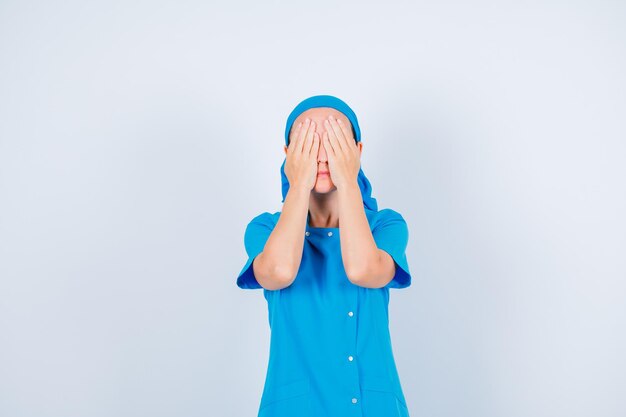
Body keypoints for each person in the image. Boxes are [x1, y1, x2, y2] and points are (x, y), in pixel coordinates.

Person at [236, 95, 412, 417]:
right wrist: (299, 183)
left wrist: (347, 181)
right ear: (289, 155)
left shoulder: (385, 226)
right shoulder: (265, 229)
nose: (320, 155)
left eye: (334, 140)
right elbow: (278, 271)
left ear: (356, 151)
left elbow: (362, 269)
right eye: (307, 142)